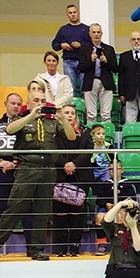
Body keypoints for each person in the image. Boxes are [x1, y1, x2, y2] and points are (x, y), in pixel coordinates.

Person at [0, 91, 76, 261]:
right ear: (28, 103)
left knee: (43, 212)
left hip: (48, 170)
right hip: (27, 169)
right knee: (14, 208)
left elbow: (71, 137)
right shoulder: (21, 119)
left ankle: (37, 249)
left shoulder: (52, 122)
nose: (40, 103)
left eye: (43, 100)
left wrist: (63, 118)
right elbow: (9, 129)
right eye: (36, 100)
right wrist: (30, 116)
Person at [0, 93, 31, 262]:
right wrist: (1, 161)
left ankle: (31, 248)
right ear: (6, 104)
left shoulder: (26, 125)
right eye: (13, 103)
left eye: (19, 104)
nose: (16, 106)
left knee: (26, 209)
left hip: (22, 171)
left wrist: (19, 162)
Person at [52, 104, 93, 257]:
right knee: (60, 214)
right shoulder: (54, 132)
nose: (69, 115)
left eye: (72, 113)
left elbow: (88, 152)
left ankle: (75, 247)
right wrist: (65, 164)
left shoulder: (85, 132)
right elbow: (53, 152)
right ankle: (61, 247)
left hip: (80, 176)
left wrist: (74, 164)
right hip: (60, 175)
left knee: (77, 214)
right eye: (66, 113)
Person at [93, 160, 136, 256]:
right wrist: (107, 204)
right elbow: (99, 200)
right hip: (107, 209)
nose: (113, 171)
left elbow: (132, 199)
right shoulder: (105, 184)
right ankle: (102, 245)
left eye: (116, 169)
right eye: (111, 169)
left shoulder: (127, 184)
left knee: (122, 218)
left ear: (122, 170)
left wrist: (121, 206)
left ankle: (123, 244)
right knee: (99, 217)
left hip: (122, 209)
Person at [78, 23, 118, 123]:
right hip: (91, 82)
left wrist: (106, 61)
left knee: (106, 115)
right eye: (94, 32)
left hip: (106, 83)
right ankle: (90, 137)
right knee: (91, 114)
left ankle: (107, 136)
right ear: (90, 34)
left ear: (102, 34)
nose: (96, 34)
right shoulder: (84, 49)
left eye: (98, 32)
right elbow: (81, 68)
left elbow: (115, 68)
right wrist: (90, 60)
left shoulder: (109, 49)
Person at [51, 4, 90, 97]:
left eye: (74, 12)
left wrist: (81, 45)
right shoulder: (63, 29)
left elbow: (92, 45)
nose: (73, 15)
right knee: (70, 88)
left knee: (84, 89)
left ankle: (83, 108)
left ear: (78, 13)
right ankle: (72, 108)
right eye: (70, 13)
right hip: (69, 61)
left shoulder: (86, 29)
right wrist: (62, 45)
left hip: (84, 62)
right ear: (67, 15)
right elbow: (54, 45)